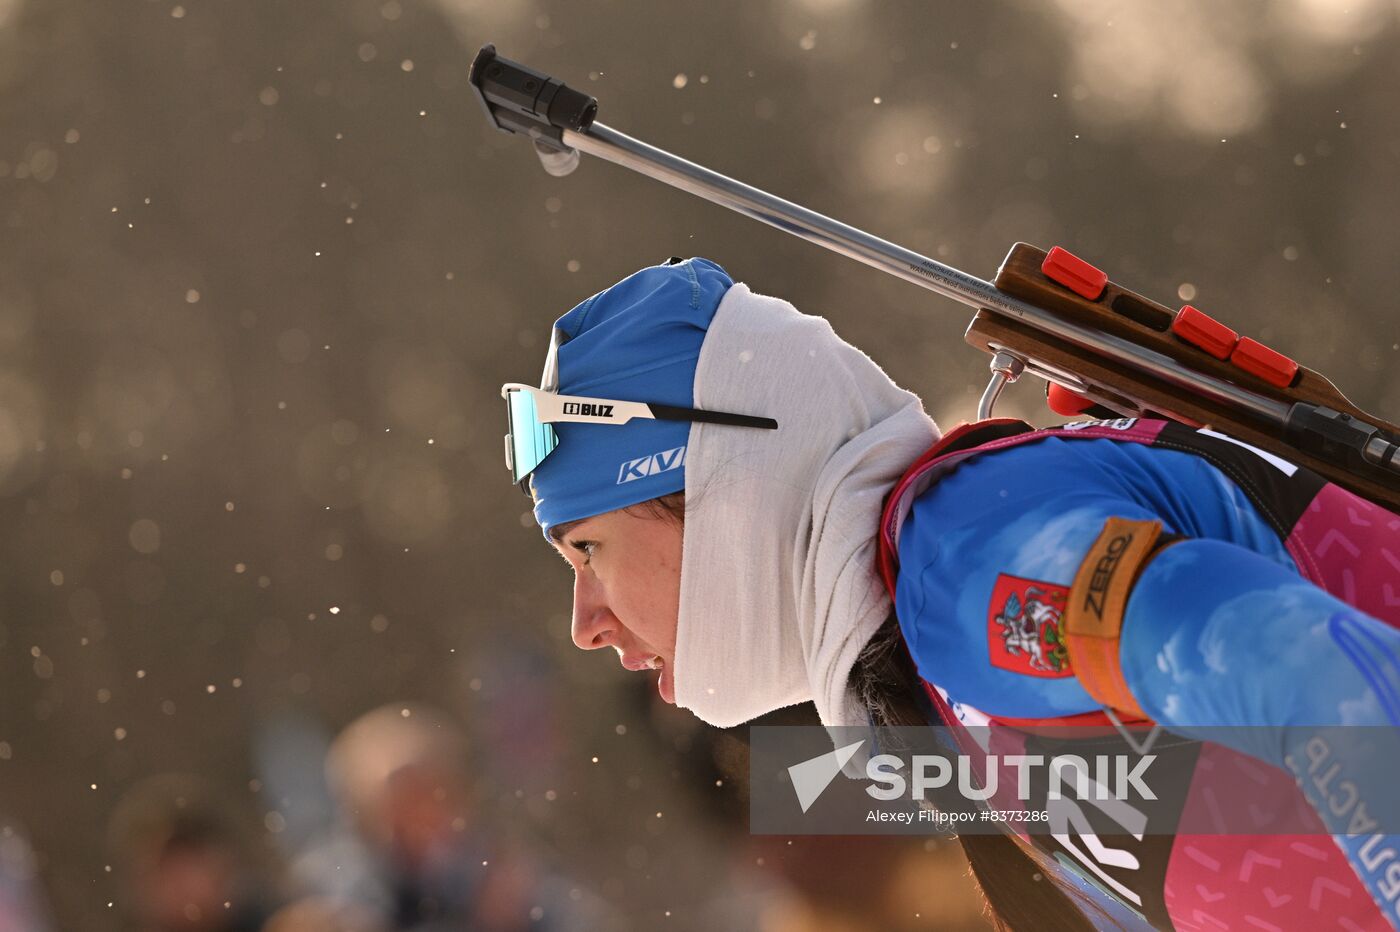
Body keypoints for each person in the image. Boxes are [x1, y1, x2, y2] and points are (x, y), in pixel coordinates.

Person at [500, 257, 1400, 931]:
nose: (585, 624)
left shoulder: (970, 560)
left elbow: (1308, 675)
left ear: (724, 493)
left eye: (589, 550)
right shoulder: (930, 663)